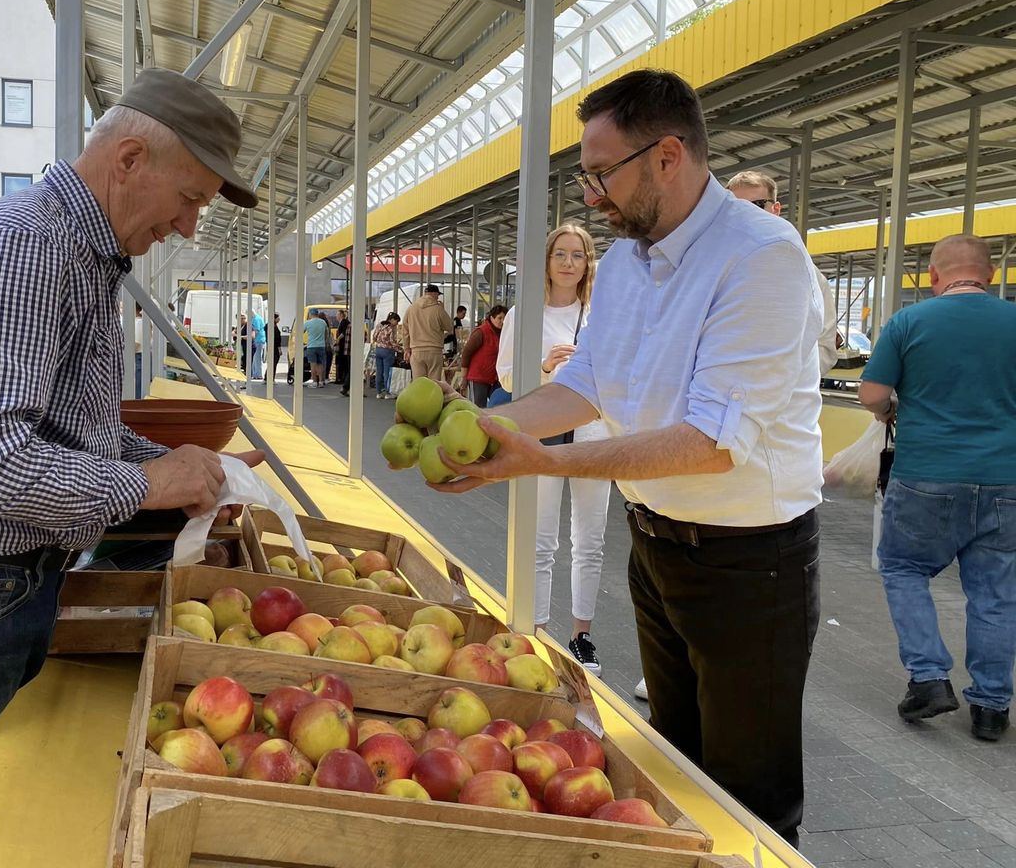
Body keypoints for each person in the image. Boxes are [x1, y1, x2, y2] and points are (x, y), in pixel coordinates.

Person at [0, 68, 264, 868]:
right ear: (130, 159)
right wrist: (147, 484)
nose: (186, 226)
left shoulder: (75, 254)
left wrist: (185, 466)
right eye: (190, 200)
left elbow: (65, 434)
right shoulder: (29, 250)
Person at [430, 69, 823, 846]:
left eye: (603, 173)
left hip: (752, 566)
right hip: (657, 546)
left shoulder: (763, 258)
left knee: (751, 799)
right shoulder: (631, 263)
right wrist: (496, 426)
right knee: (674, 773)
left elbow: (710, 445)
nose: (591, 197)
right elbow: (587, 380)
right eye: (587, 175)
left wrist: (541, 463)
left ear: (668, 155)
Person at [859, 233, 1016, 743]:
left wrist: (890, 411)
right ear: (991, 275)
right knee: (994, 593)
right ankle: (991, 707)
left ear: (932, 276)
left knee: (904, 568)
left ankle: (928, 678)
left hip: (926, 475)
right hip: (1005, 479)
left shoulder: (909, 321)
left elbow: (872, 394)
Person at [496, 225, 611, 675]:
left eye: (577, 255)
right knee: (541, 540)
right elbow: (506, 377)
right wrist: (544, 368)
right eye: (560, 254)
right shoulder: (527, 315)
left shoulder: (601, 314)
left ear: (588, 264)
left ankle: (582, 635)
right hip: (543, 435)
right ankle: (537, 631)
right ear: (546, 260)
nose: (568, 262)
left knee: (591, 539)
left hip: (594, 437)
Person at [727, 170, 839, 376]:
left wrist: (783, 384)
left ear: (776, 208)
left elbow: (825, 345)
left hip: (782, 401)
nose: (747, 214)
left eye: (757, 205)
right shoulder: (713, 267)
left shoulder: (808, 275)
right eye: (736, 207)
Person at [402, 284, 453, 381]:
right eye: (438, 295)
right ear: (434, 294)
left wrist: (407, 349)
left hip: (416, 351)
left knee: (419, 383)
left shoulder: (411, 308)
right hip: (434, 350)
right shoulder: (438, 309)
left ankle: (419, 396)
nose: (438, 297)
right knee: (434, 383)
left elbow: (405, 331)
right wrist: (442, 309)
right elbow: (449, 327)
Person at [460, 305, 506, 407]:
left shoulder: (504, 334)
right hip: (478, 378)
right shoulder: (481, 332)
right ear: (491, 318)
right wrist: (464, 377)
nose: (502, 321)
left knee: (498, 405)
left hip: (494, 379)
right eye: (499, 318)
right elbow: (466, 353)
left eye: (504, 318)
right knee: (478, 408)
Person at [371, 311, 402, 399]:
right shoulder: (391, 328)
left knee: (379, 372)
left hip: (378, 350)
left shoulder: (379, 325)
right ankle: (388, 393)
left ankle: (378, 392)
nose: (397, 324)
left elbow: (374, 337)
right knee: (387, 372)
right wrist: (401, 349)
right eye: (397, 321)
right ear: (392, 320)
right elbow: (392, 342)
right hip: (387, 351)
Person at [303, 307, 328, 387]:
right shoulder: (323, 322)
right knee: (320, 364)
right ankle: (321, 381)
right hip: (321, 346)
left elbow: (301, 331)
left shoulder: (308, 323)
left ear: (310, 314)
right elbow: (326, 333)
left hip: (311, 346)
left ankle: (314, 382)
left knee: (313, 364)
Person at [335, 309, 352, 396]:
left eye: (337, 314)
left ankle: (345, 385)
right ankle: (346, 386)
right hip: (347, 349)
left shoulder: (345, 323)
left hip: (345, 348)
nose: (336, 316)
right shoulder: (348, 324)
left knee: (349, 368)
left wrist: (337, 340)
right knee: (350, 369)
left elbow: (343, 334)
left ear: (341, 315)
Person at [250, 308, 267, 382]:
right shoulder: (257, 318)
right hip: (259, 340)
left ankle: (258, 375)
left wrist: (251, 337)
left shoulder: (256, 319)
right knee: (255, 358)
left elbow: (256, 330)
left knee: (257, 358)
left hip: (258, 340)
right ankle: (255, 374)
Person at [272, 312, 283, 380]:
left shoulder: (273, 326)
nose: (279, 319)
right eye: (277, 318)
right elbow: (277, 339)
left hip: (274, 346)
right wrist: (279, 349)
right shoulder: (273, 327)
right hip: (274, 347)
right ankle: (270, 378)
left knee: (273, 362)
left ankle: (268, 377)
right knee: (274, 362)